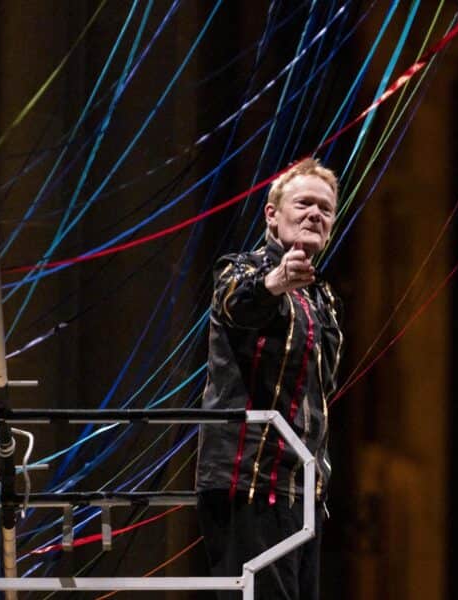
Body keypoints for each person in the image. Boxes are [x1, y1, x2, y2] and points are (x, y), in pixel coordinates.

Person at [195, 158, 344, 600]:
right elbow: (237, 304)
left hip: (303, 490)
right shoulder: (241, 269)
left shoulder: (323, 298)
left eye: (325, 208)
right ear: (272, 214)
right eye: (303, 204)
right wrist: (274, 282)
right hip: (249, 483)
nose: (315, 213)